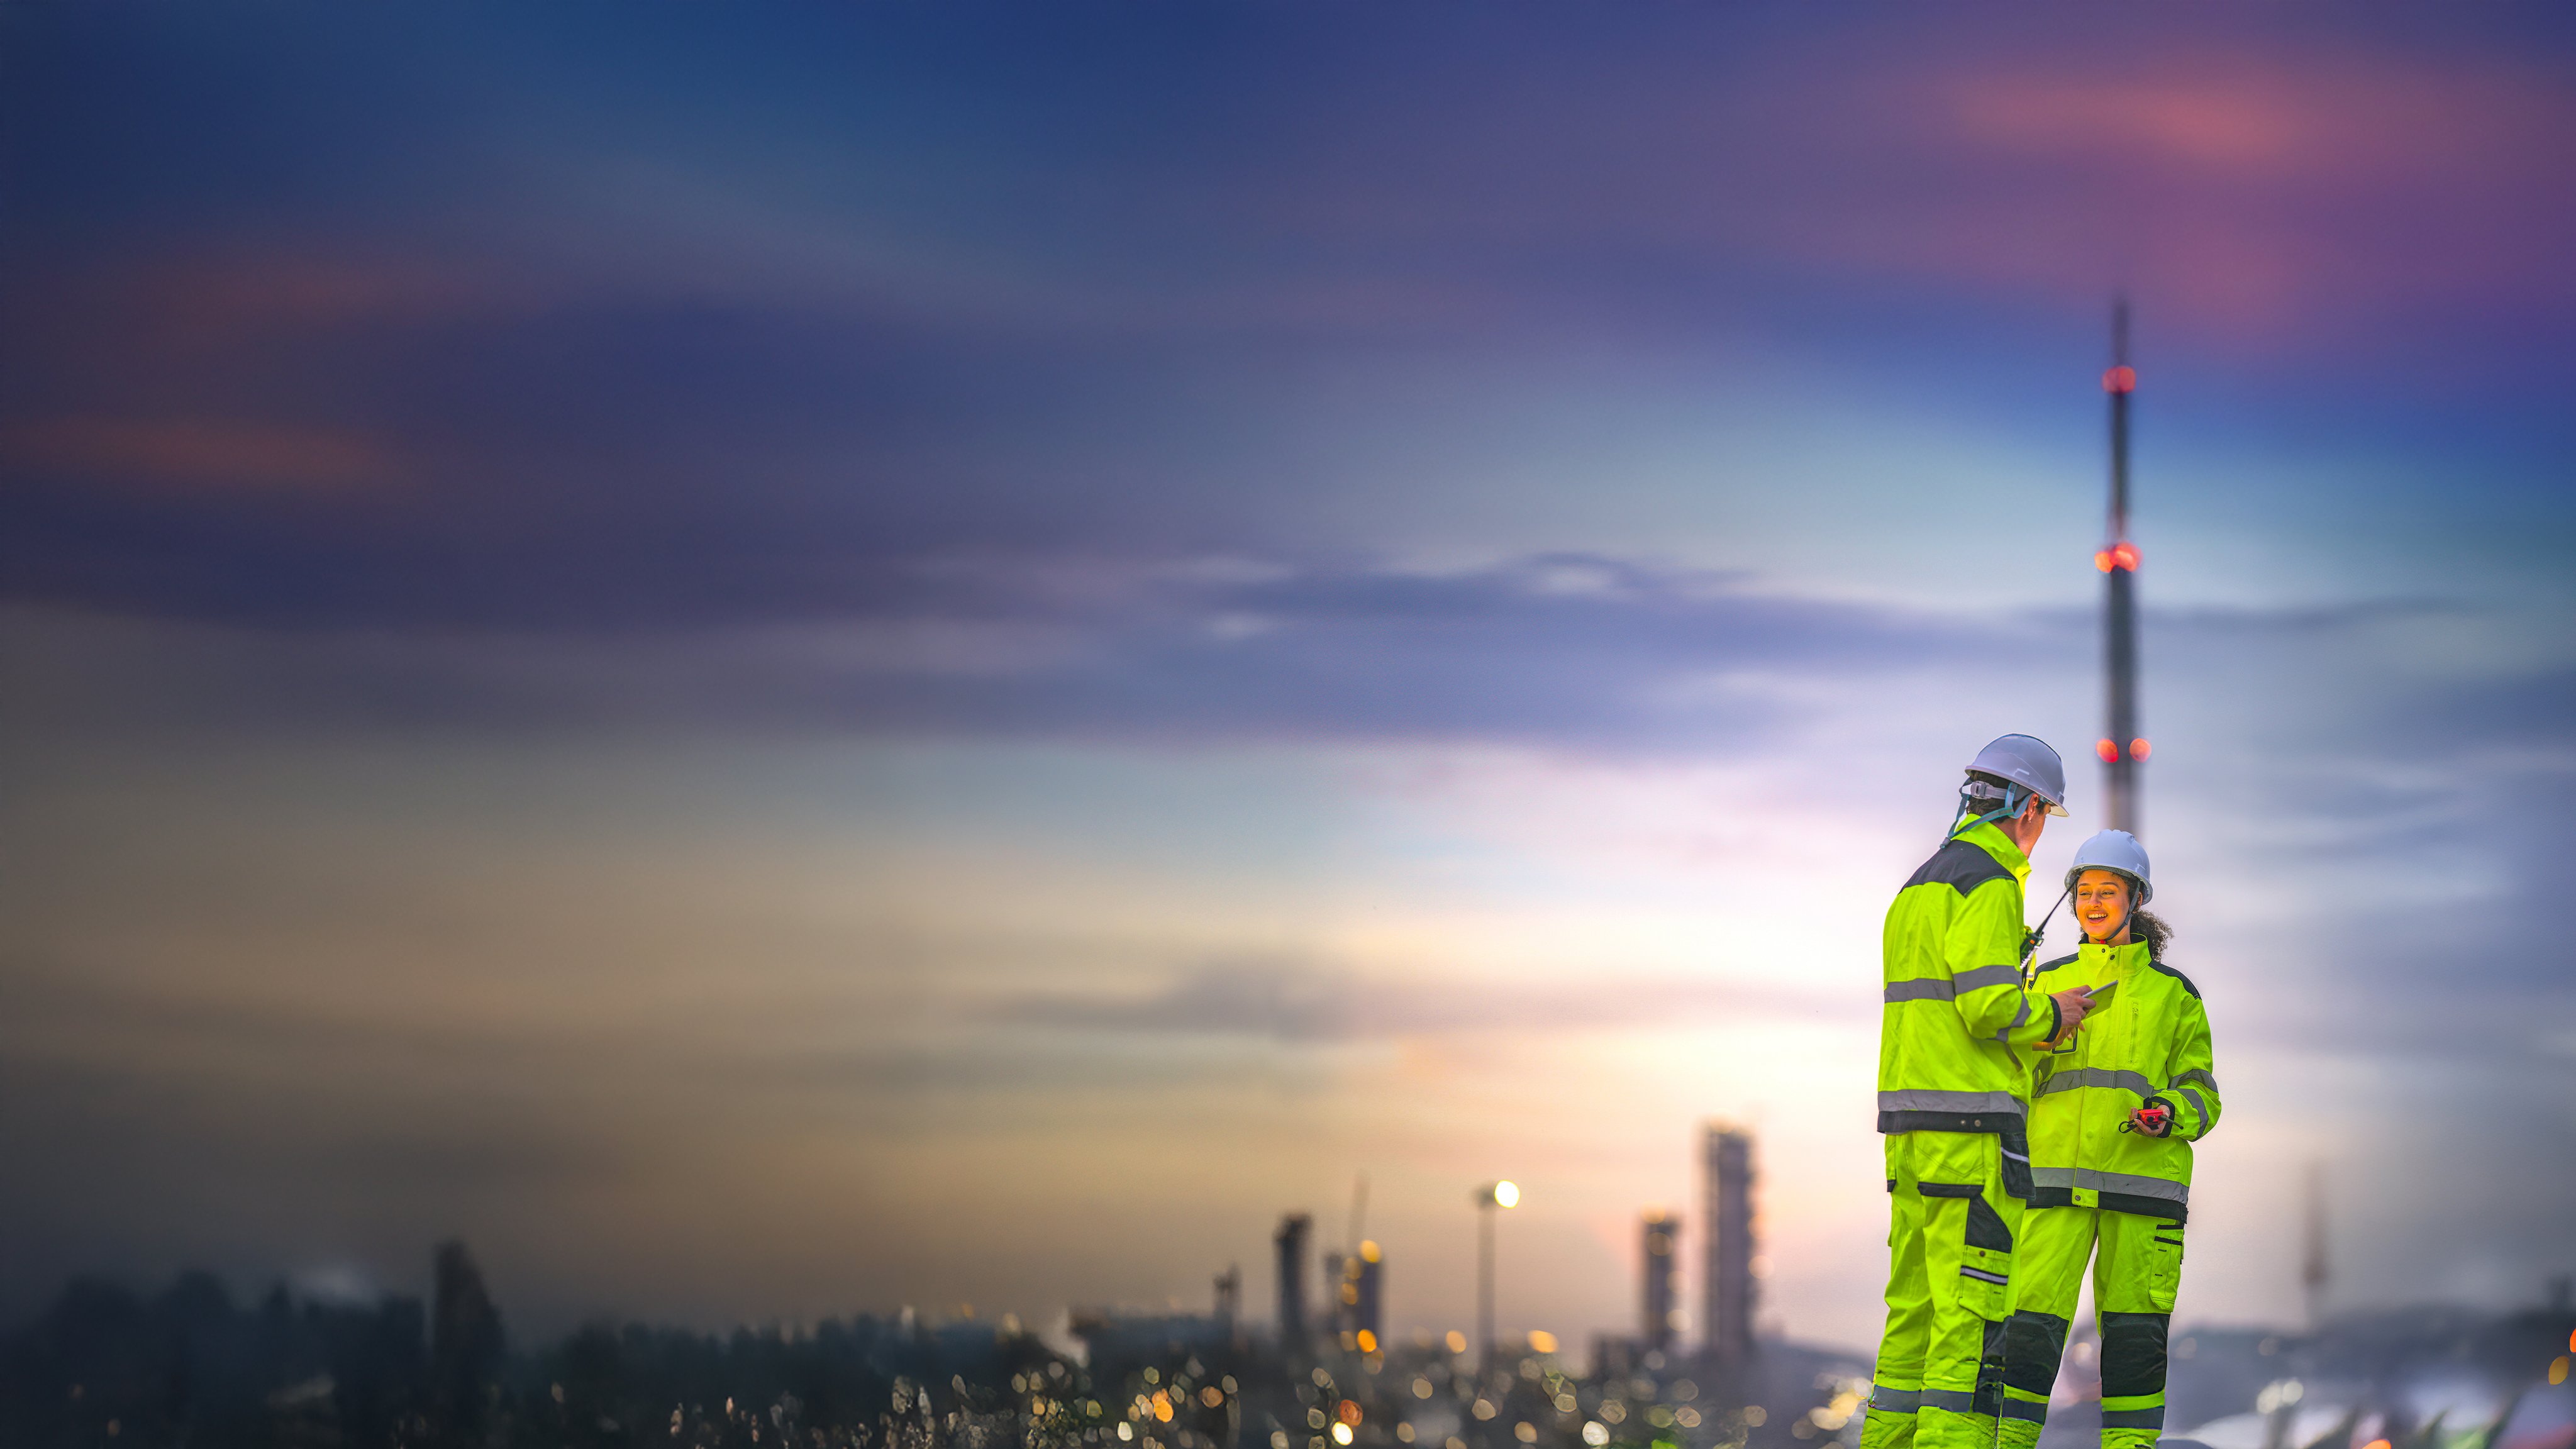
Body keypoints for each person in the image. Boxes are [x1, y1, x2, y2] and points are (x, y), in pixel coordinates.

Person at [1864, 736, 2102, 1449]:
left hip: (1910, 1133)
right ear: (2029, 807)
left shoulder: (1921, 882)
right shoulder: (1992, 882)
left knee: (1911, 1312)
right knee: (1972, 1321)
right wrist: (2053, 1013)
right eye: (2042, 816)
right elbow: (1988, 1008)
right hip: (1970, 1137)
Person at [1999, 830, 2221, 1449]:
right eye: (2083, 892)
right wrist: (2040, 1035)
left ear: (2137, 900)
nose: (2093, 903)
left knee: (2134, 1345)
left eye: (2108, 891)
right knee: (2026, 1334)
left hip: (2141, 1192)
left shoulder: (2175, 997)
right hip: (2053, 1189)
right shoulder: (2046, 981)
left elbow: (2203, 1094)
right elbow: (2015, 1076)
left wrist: (2168, 1112)